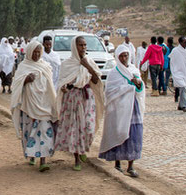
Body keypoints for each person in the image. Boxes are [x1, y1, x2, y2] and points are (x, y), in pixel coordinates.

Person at [55, 36, 105, 171]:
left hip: (86, 98)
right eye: (80, 45)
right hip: (72, 98)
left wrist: (87, 66)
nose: (83, 48)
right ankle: (77, 158)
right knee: (75, 128)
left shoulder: (89, 61)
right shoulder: (67, 64)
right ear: (74, 47)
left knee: (89, 126)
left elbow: (95, 80)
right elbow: (62, 82)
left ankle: (83, 149)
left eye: (84, 45)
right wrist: (64, 88)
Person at [11, 41, 58, 172]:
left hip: (44, 105)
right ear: (30, 52)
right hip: (28, 106)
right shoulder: (23, 67)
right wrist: (25, 80)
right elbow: (15, 85)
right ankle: (32, 155)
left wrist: (53, 104)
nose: (37, 54)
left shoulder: (46, 66)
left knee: (44, 130)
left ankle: (43, 160)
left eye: (39, 52)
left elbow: (50, 86)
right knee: (30, 131)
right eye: (34, 52)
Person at [98, 44, 145, 178]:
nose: (124, 58)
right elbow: (110, 91)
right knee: (118, 131)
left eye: (126, 56)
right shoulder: (114, 73)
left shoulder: (134, 70)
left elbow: (141, 89)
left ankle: (131, 166)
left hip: (133, 108)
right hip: (119, 108)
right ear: (117, 57)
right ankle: (117, 163)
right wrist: (126, 88)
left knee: (134, 134)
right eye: (121, 56)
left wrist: (137, 84)